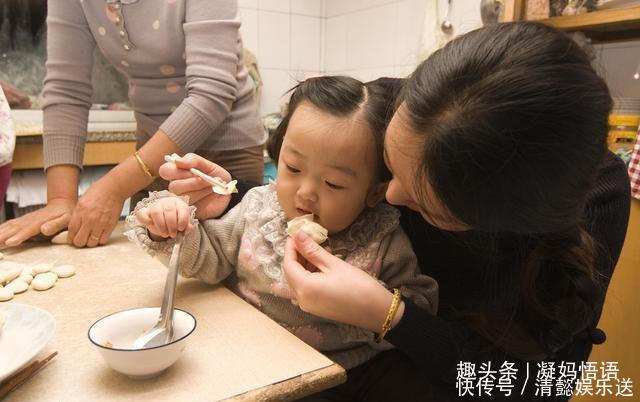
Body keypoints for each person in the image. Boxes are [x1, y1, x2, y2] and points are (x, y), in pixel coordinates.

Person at [160, 22, 631, 401]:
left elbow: (540, 384)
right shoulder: (399, 106)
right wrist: (238, 193)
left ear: (498, 221)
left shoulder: (587, 201)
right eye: (388, 165)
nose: (387, 197)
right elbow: (321, 179)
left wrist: (392, 316)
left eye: (425, 201)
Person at [125, 76, 438, 374]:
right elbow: (209, 258)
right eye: (293, 167)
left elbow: (418, 307)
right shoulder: (258, 209)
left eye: (333, 183)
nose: (305, 193)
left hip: (345, 368)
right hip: (251, 353)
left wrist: (376, 307)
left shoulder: (380, 238)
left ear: (374, 192)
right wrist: (169, 225)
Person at [0, 0, 265, 248]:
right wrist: (60, 200)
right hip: (153, 156)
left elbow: (211, 92)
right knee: (148, 267)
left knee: (230, 279)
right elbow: (65, 90)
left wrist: (114, 188)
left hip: (226, 154)